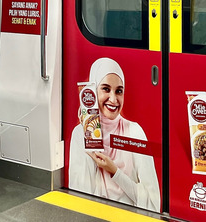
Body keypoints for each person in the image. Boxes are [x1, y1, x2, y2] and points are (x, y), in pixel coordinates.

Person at [69, 58, 161, 212]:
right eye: (105, 89)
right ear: (93, 90)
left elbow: (153, 202)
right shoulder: (80, 134)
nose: (113, 99)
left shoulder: (134, 132)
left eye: (119, 91)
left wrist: (115, 171)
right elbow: (80, 201)